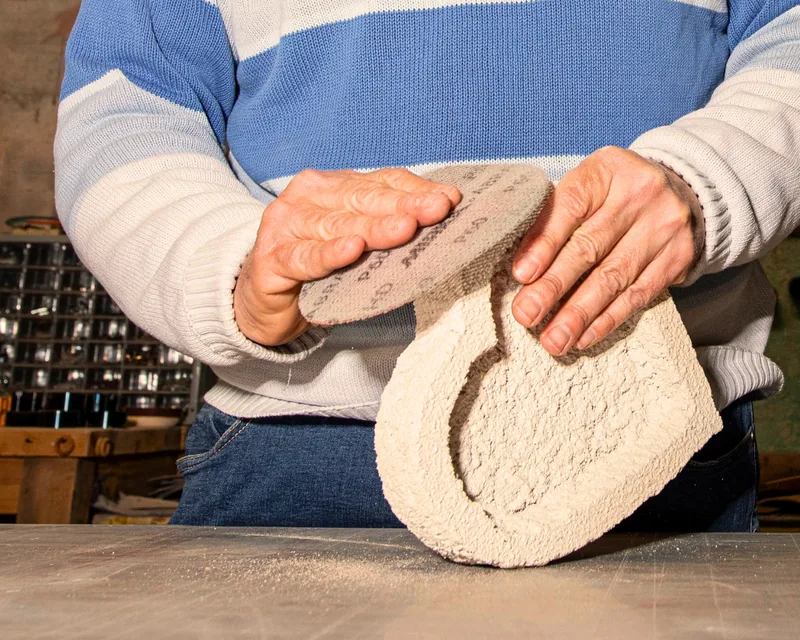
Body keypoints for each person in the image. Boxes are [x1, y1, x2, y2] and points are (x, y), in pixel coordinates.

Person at [55, 0, 799, 532]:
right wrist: (236, 271)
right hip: (301, 442)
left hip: (656, 441)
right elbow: (120, 116)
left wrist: (707, 182)